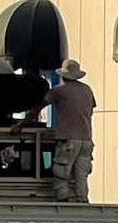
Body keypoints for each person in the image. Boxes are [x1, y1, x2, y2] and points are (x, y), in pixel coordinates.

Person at [11, 59, 97, 202]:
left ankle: (62, 202)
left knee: (61, 173)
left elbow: (36, 109)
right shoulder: (87, 90)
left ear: (63, 75)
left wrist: (20, 125)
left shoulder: (58, 90)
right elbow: (90, 110)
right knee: (81, 175)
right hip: (86, 140)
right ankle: (82, 200)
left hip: (68, 139)